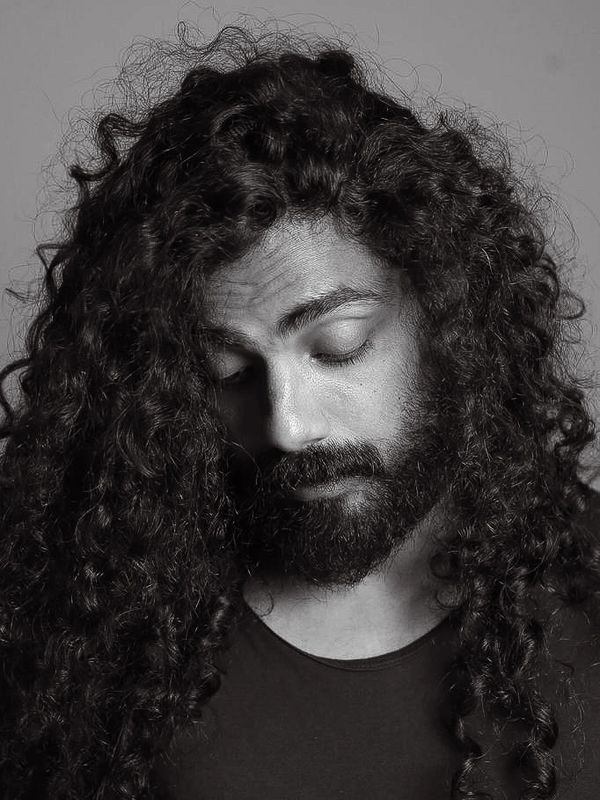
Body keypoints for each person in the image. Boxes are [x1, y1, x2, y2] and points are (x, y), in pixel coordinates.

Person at [1, 20, 599, 800]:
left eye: (339, 346)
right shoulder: (93, 616)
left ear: (449, 318)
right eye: (229, 370)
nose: (288, 426)